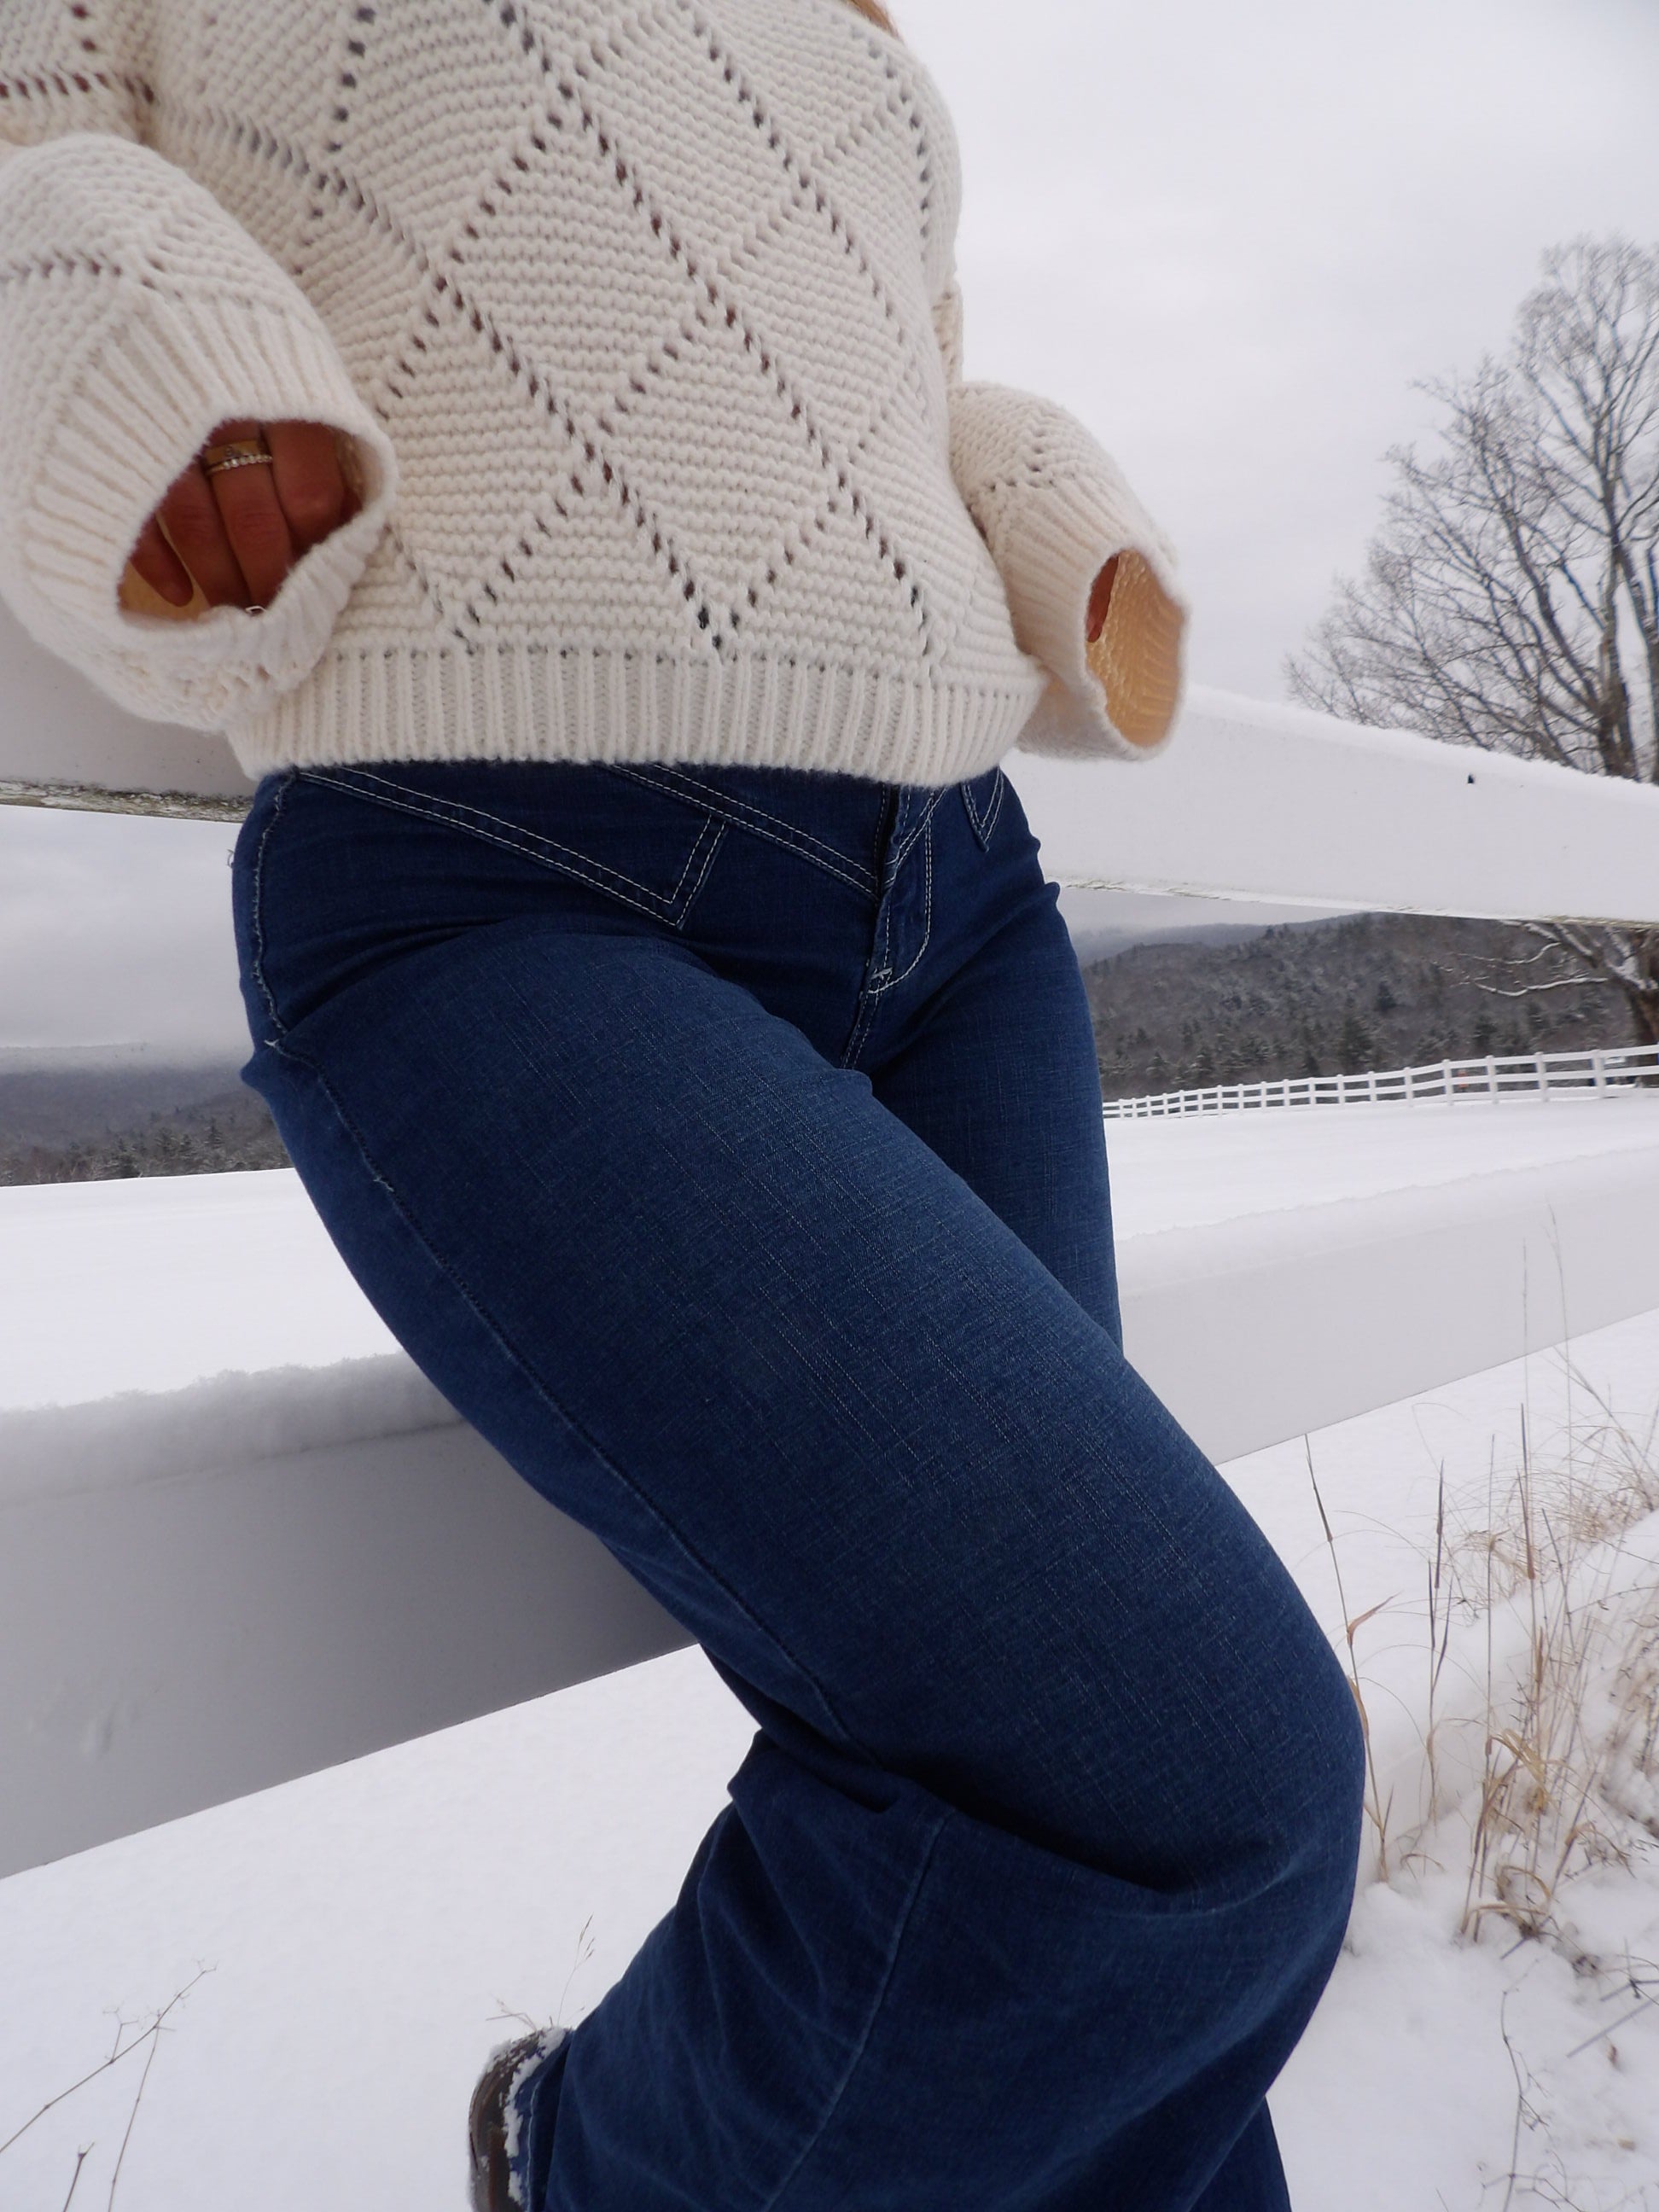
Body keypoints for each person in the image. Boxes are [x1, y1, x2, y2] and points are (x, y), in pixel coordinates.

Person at [0, 2, 1365, 2204]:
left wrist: (1063, 534)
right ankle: (585, 2160)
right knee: (1200, 1790)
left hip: (959, 909)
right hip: (495, 881)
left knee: (1088, 1916)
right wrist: (163, 396)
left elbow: (903, 399)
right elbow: (30, 173)